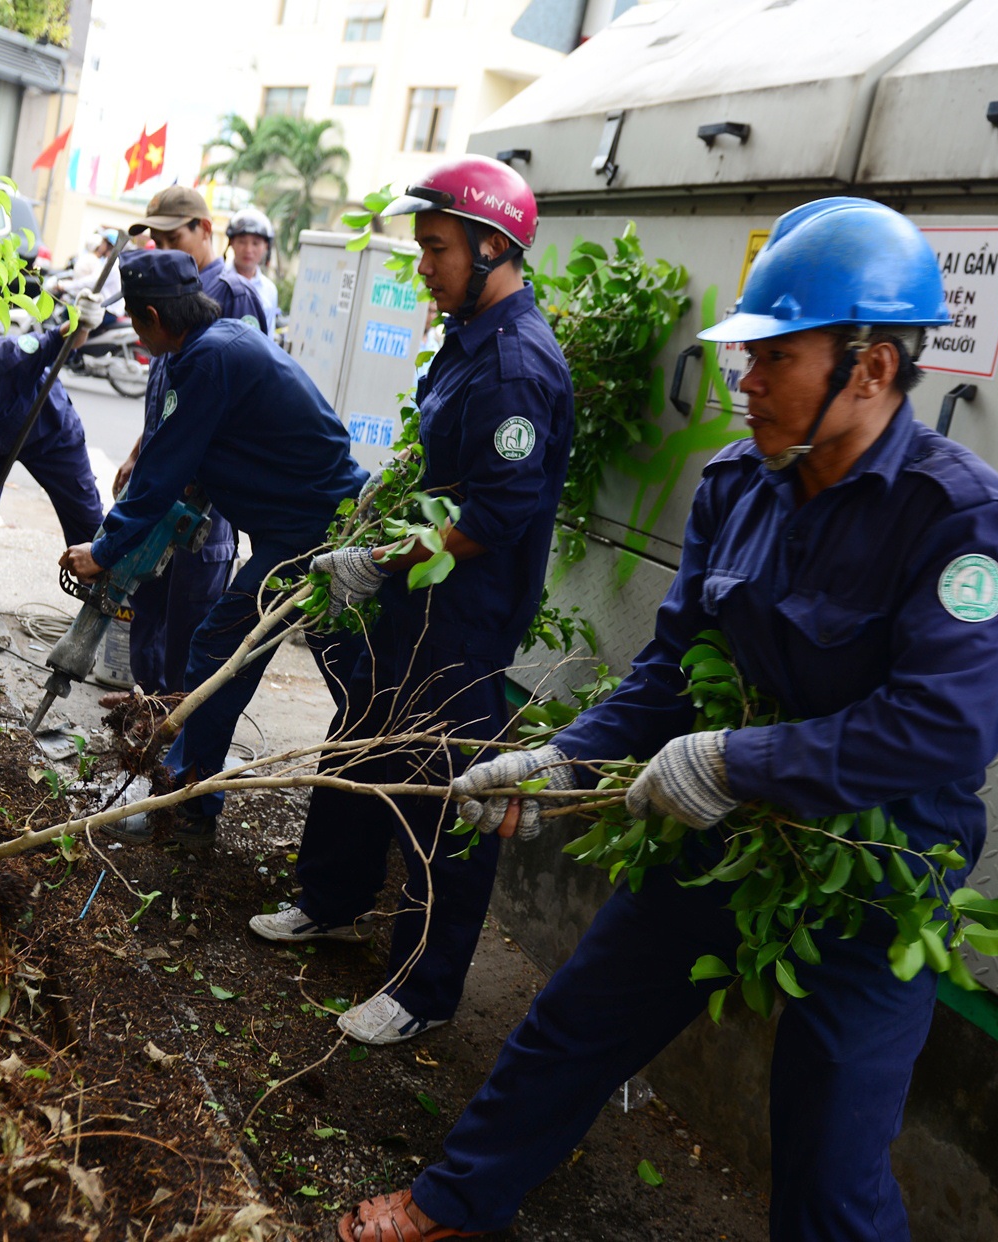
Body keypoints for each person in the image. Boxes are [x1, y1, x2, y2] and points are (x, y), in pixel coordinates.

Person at [335, 198, 998, 1242]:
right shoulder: (735, 489)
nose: (744, 380)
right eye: (745, 356)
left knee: (830, 1160)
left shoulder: (962, 522)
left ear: (872, 369)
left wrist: (740, 761)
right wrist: (562, 763)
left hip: (872, 866)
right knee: (573, 1024)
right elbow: (672, 671)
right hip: (720, 830)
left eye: (773, 358)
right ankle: (455, 1204)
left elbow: (944, 726)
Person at [246, 156, 573, 1049]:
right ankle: (331, 900)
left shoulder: (513, 367)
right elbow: (441, 471)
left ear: (492, 247)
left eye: (435, 249)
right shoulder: (467, 341)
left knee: (443, 803)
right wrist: (378, 515)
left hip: (462, 623)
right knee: (358, 746)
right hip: (414, 608)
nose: (421, 266)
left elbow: (495, 514)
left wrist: (381, 562)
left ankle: (421, 988)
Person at [61, 250, 365, 848]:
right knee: (352, 671)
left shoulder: (207, 360)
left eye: (135, 320)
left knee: (221, 647)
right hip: (317, 522)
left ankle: (190, 804)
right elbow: (205, 451)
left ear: (151, 316)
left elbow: (162, 473)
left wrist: (104, 549)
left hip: (310, 533)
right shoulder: (218, 341)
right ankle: (380, 777)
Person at [114, 186, 271, 693]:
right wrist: (141, 453)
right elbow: (171, 393)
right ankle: (146, 710)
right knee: (146, 596)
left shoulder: (234, 295)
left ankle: (175, 729)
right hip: (163, 470)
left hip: (204, 491)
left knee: (190, 611)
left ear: (205, 228)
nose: (164, 247)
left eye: (173, 235)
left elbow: (245, 399)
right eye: (156, 238)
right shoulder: (167, 288)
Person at [0, 320, 106, 607]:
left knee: (84, 514)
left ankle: (103, 590)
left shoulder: (4, 358)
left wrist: (85, 320)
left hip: (47, 430)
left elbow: (65, 337)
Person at [225, 207, 280, 335]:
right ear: (231, 242)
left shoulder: (269, 291)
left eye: (255, 243)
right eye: (242, 242)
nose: (248, 249)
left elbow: (268, 338)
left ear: (266, 246)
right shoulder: (217, 280)